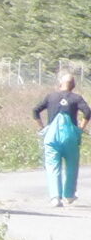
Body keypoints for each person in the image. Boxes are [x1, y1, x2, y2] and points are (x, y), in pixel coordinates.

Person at [37, 72, 89, 207]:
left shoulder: (50, 97)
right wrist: (81, 129)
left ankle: (55, 197)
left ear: (60, 83)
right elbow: (88, 112)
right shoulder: (76, 98)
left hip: (51, 137)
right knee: (72, 166)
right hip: (70, 137)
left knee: (53, 166)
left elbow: (35, 110)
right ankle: (69, 195)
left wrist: (42, 127)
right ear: (73, 86)